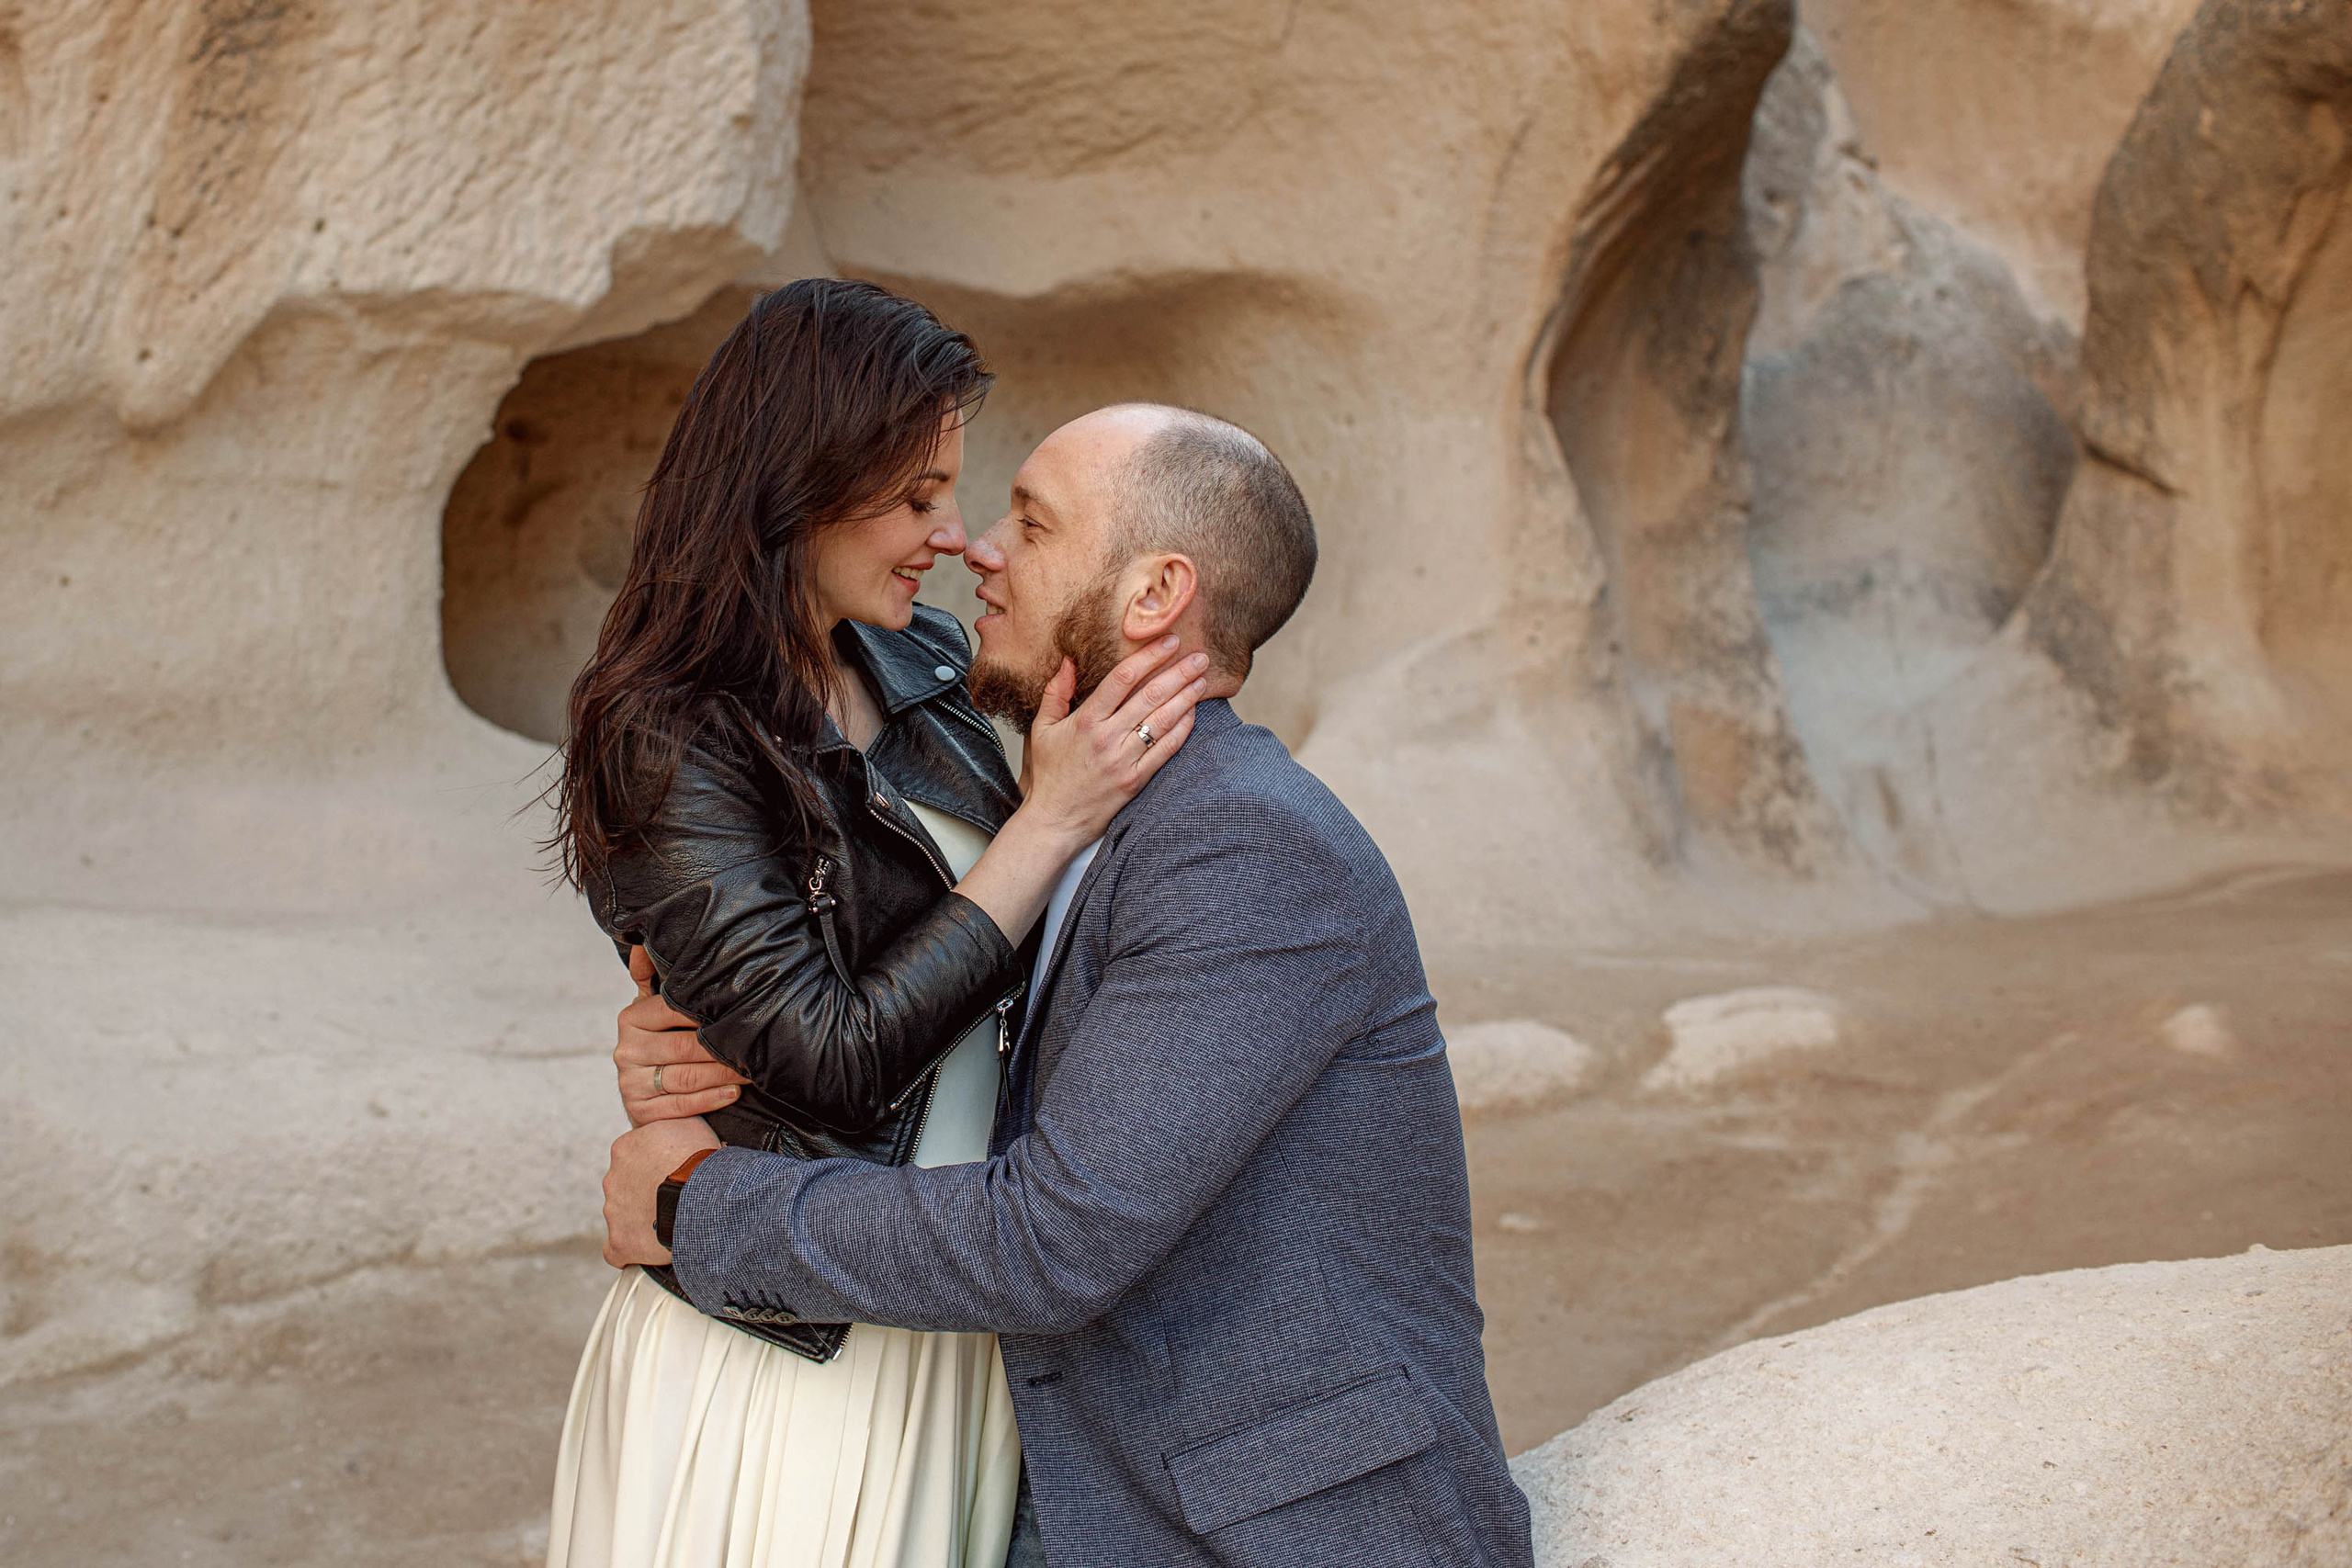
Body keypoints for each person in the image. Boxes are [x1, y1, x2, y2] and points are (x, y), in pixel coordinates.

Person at [602, 403, 1536, 1568]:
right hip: (1082, 1474)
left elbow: (1053, 1237)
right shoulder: (1070, 798)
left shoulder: (1243, 844)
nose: (977, 547)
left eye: (1030, 524)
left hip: (1268, 1525)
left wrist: (697, 1204)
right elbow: (915, 995)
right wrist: (719, 1034)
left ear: (1153, 596)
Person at [544, 282, 1209, 1568]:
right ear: (796, 483)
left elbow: (1046, 937)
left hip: (952, 1297)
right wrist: (1042, 825)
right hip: (795, 1347)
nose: (950, 537)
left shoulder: (925, 671)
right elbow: (829, 1055)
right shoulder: (669, 731)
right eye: (915, 497)